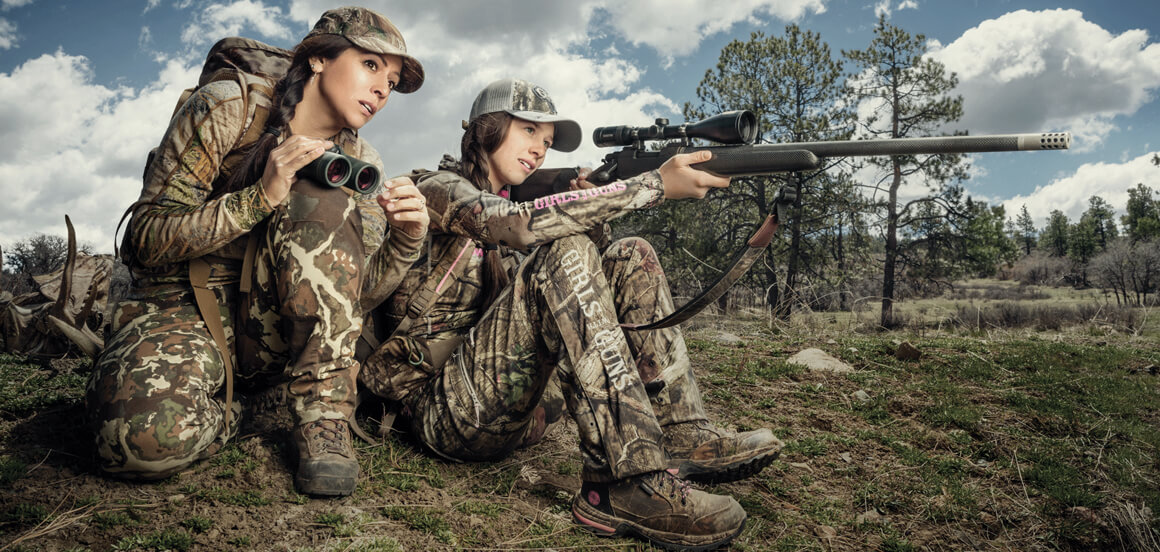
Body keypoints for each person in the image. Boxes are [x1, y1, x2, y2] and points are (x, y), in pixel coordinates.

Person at [359, 78, 782, 550]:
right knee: (564, 247)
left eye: (546, 141)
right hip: (441, 414)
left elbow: (578, 287)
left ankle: (681, 434)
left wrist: (593, 212)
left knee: (631, 254)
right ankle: (622, 482)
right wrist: (652, 185)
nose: (539, 150)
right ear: (486, 129)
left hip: (510, 409)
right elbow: (514, 225)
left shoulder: (526, 205)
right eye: (528, 131)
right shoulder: (437, 189)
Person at [86, 6, 429, 498]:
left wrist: (406, 240)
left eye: (391, 83)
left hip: (272, 329)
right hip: (184, 310)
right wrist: (260, 197)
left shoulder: (359, 165)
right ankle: (254, 410)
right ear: (318, 59)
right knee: (134, 442)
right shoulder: (231, 107)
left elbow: (350, 296)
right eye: (370, 65)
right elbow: (145, 238)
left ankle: (323, 416)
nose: (382, 90)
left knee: (321, 196)